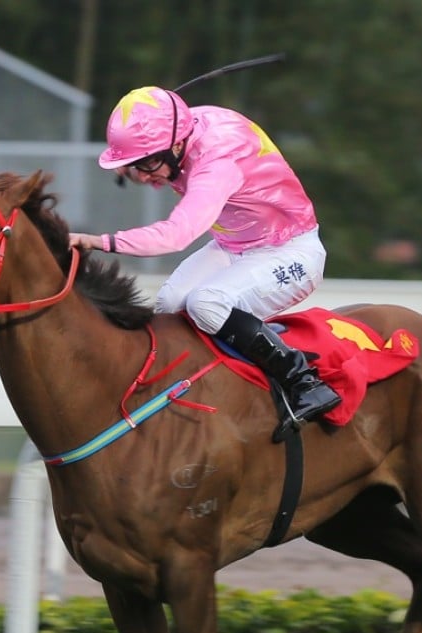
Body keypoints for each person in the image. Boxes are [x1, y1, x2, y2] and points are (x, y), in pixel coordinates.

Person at [69, 86, 340, 440]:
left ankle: (304, 382)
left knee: (206, 303)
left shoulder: (218, 159)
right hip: (235, 244)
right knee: (169, 304)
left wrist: (100, 242)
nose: (147, 179)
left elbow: (176, 236)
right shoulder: (180, 127)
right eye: (135, 167)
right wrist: (136, 161)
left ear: (178, 145)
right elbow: (153, 128)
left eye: (149, 164)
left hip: (289, 251)